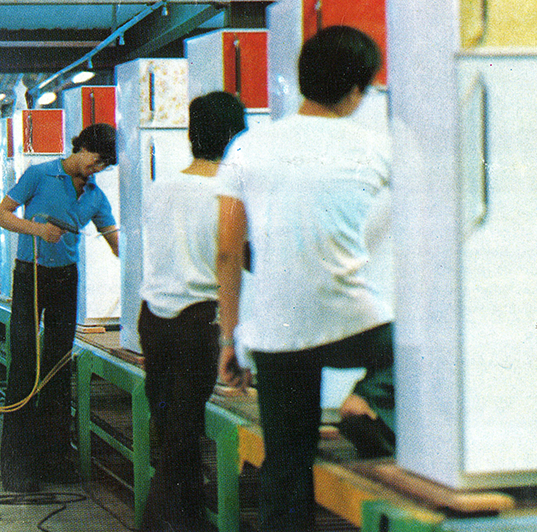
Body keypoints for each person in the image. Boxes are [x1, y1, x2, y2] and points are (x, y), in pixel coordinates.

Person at [216, 26, 395, 531]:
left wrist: (231, 338)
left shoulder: (248, 146)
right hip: (354, 322)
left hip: (276, 333)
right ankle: (368, 401)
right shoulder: (377, 147)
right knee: (421, 349)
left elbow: (228, 251)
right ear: (357, 90)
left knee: (286, 466)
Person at [138, 91, 246, 532]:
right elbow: (229, 259)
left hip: (153, 319)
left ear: (190, 133)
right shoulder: (229, 192)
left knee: (172, 432)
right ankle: (154, 524)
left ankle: (191, 522)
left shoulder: (160, 187)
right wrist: (229, 338)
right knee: (182, 436)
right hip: (195, 324)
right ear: (237, 134)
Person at [0, 123, 119, 493]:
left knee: (58, 369)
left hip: (66, 279)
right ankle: (17, 469)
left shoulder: (95, 196)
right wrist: (37, 230)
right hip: (30, 274)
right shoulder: (38, 174)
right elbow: (0, 215)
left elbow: (115, 242)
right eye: (95, 161)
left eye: (103, 166)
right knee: (24, 367)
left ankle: (53, 461)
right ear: (80, 147)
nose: (96, 170)